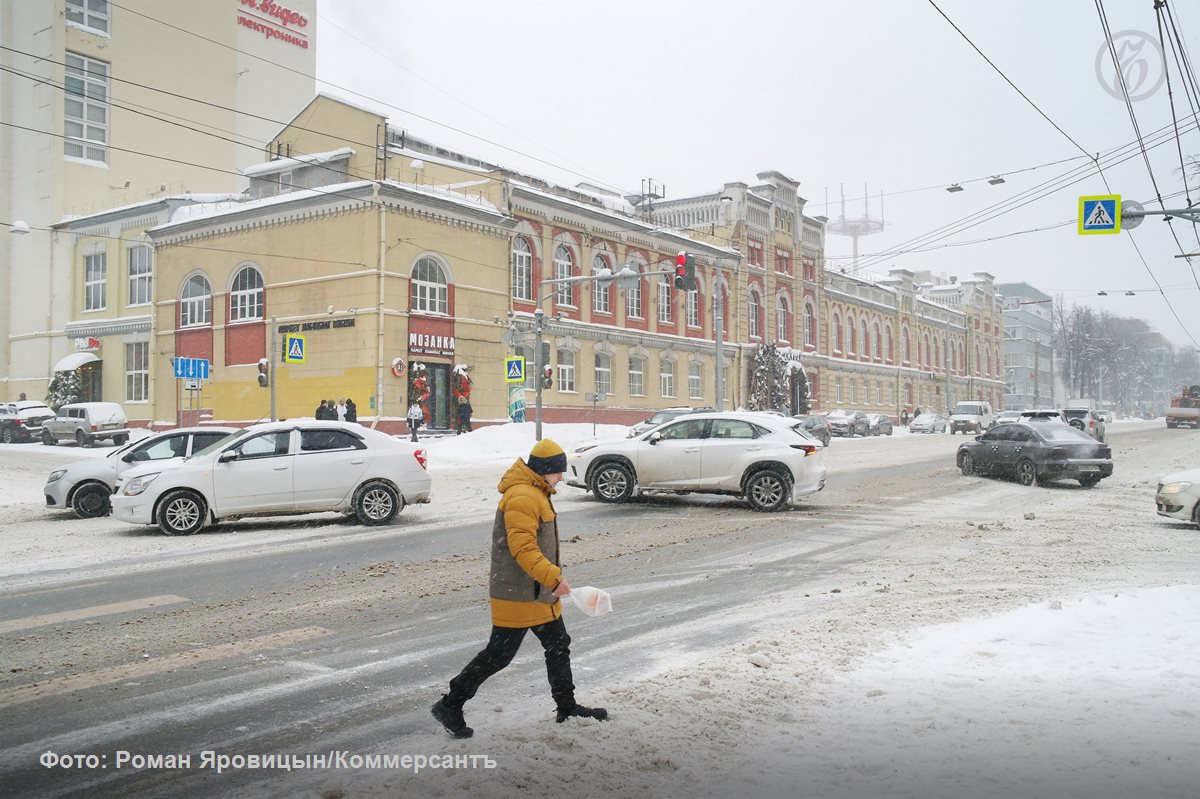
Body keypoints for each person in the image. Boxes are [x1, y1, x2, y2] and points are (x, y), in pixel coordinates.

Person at [431, 439, 607, 738]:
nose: (562, 478)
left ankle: (566, 707)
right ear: (546, 470)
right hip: (518, 593)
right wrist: (553, 577)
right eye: (559, 472)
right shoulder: (523, 496)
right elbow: (523, 548)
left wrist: (549, 581)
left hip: (538, 593)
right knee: (498, 656)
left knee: (558, 645)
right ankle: (450, 703)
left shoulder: (536, 492)